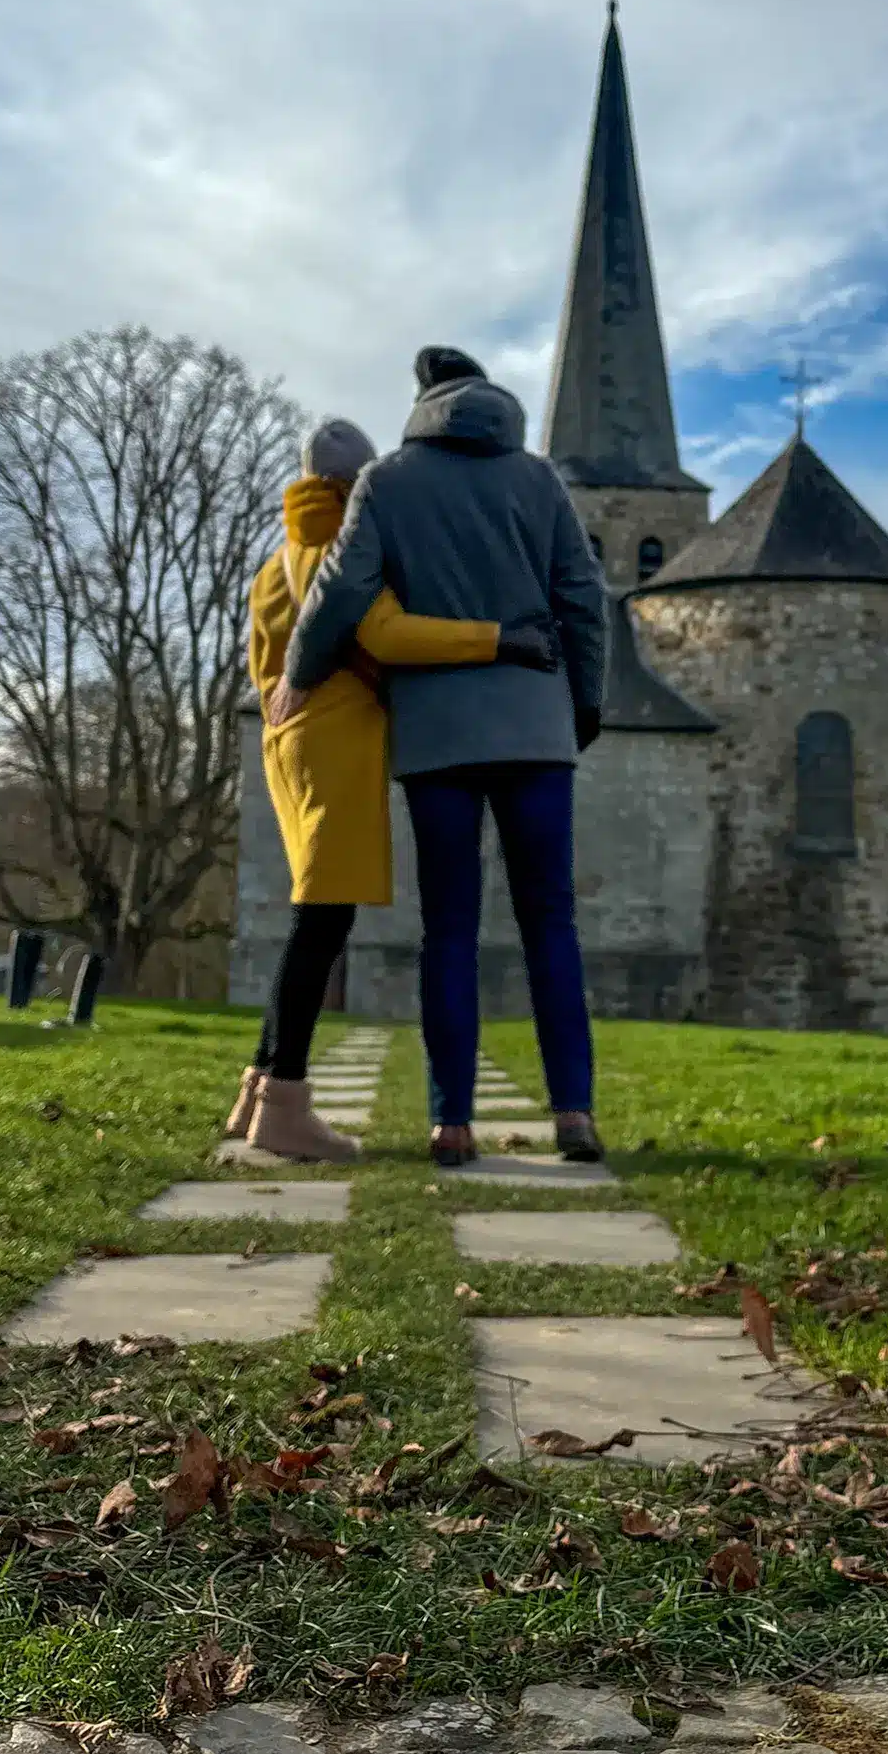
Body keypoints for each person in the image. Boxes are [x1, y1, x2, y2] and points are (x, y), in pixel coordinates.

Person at [280, 347, 609, 1168]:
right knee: (551, 924)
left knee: (449, 931)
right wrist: (586, 703)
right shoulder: (539, 480)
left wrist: (298, 671)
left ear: (423, 403)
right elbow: (582, 595)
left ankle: (451, 1122)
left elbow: (340, 591)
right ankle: (573, 1113)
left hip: (437, 739)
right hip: (536, 729)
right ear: (491, 398)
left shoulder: (388, 482)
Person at [230, 415, 555, 1160]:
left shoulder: (276, 561)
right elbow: (385, 632)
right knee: (322, 924)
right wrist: (498, 637)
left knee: (313, 915)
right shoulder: (341, 552)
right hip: (338, 746)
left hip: (289, 747)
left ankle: (254, 1091)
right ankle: (284, 1101)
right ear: (353, 487)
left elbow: (263, 668)